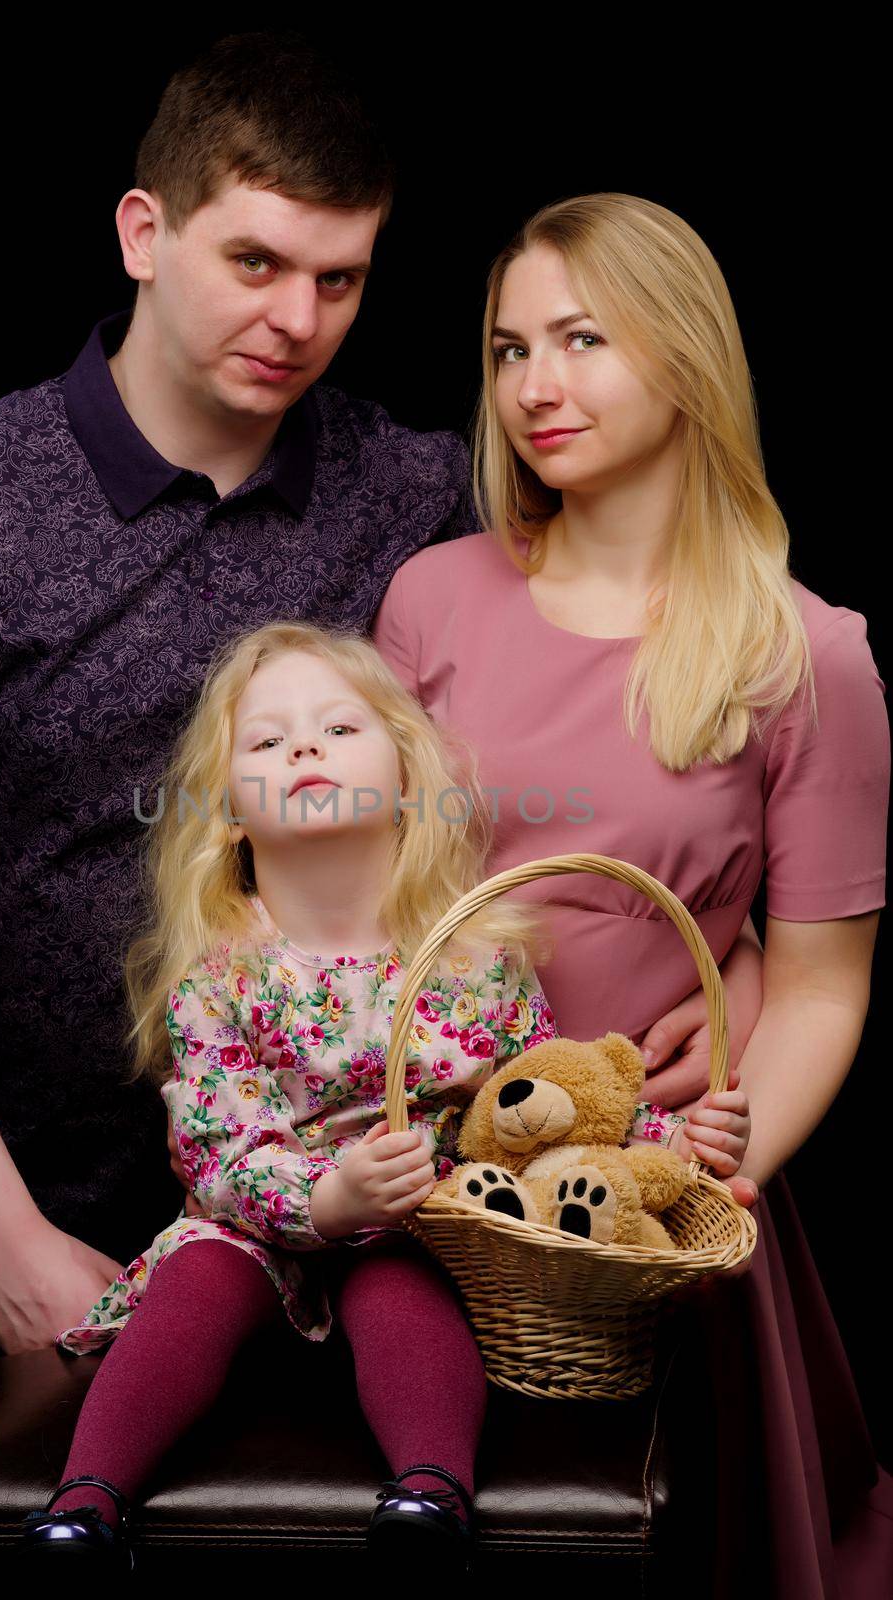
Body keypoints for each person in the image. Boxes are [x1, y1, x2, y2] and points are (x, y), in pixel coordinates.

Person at [0, 33, 478, 1581]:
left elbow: (610, 636)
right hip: (5, 1204)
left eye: (340, 279)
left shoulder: (414, 493)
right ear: (142, 232)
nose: (295, 318)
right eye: (254, 260)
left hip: (346, 1205)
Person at [370, 191, 892, 1597]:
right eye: (505, 348)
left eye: (582, 339)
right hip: (436, 1186)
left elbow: (826, 981)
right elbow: (371, 905)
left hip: (652, 1195)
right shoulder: (430, 599)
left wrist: (688, 1203)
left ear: (683, 353)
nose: (534, 385)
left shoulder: (805, 653)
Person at [17, 618, 752, 1579]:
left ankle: (429, 1494)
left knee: (401, 1283)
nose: (306, 748)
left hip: (413, 1218)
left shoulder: (477, 963)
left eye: (338, 728)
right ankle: (85, 1506)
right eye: (268, 741)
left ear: (405, 781)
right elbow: (216, 1145)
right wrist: (325, 1200)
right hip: (259, 1222)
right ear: (228, 810)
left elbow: (545, 1104)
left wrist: (679, 1140)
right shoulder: (223, 977)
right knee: (196, 1279)